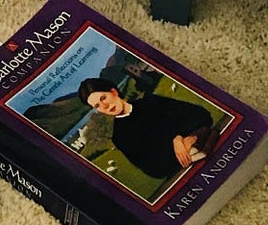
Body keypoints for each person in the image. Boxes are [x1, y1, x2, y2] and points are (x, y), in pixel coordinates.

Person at [24, 73, 219, 181]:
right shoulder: (120, 137)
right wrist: (179, 144)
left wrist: (182, 139)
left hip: (198, 150)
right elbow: (154, 171)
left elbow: (201, 114)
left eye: (103, 98)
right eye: (98, 106)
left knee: (206, 135)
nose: (105, 106)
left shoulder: (151, 103)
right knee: (207, 137)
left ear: (113, 91)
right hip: (186, 169)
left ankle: (200, 143)